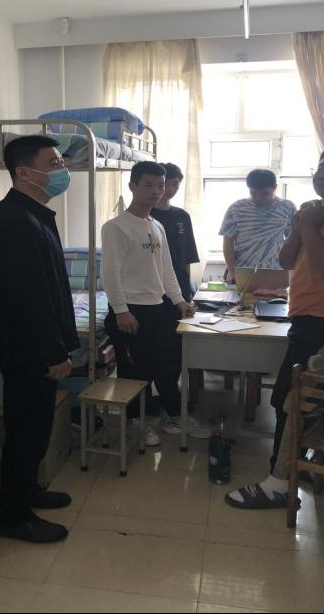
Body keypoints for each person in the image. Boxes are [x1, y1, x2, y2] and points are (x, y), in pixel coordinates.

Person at [225, 146, 324, 509]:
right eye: (322, 167)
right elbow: (286, 260)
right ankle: (301, 472)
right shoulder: (312, 212)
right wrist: (303, 225)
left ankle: (279, 484)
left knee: (291, 400)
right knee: (294, 398)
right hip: (303, 318)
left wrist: (309, 227)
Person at [0, 135, 79, 544]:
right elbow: (29, 296)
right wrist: (53, 352)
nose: (62, 170)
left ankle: (28, 492)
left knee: (35, 427)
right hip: (26, 349)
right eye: (53, 163)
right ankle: (12, 516)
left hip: (32, 345)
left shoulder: (32, 213)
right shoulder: (14, 219)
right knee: (26, 429)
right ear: (24, 172)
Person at [102, 161, 210, 445]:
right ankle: (137, 423)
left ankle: (174, 415)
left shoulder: (157, 226)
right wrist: (121, 310)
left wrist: (179, 301)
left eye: (160, 185)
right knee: (134, 372)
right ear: (133, 186)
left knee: (166, 366)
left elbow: (167, 270)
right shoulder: (116, 227)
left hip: (158, 307)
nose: (156, 191)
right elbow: (110, 274)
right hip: (130, 310)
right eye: (148, 184)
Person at [220, 169, 296, 283]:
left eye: (265, 193)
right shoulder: (236, 208)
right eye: (253, 193)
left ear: (275, 188)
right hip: (242, 271)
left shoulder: (288, 207)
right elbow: (227, 243)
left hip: (276, 271)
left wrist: (293, 270)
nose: (259, 198)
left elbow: (294, 241)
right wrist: (232, 271)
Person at [150, 162, 200, 301]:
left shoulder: (182, 216)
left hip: (180, 282)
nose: (170, 189)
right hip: (153, 283)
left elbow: (188, 255)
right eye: (166, 184)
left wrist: (187, 288)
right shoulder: (146, 214)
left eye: (175, 184)